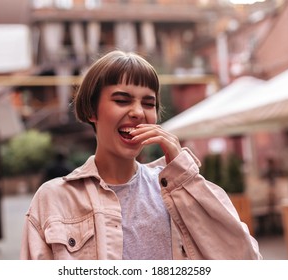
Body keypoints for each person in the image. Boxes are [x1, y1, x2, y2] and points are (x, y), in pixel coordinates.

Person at [20, 50, 262, 260]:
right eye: (122, 100)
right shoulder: (52, 199)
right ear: (92, 110)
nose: (137, 112)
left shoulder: (180, 189)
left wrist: (184, 175)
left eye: (148, 104)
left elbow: (245, 260)